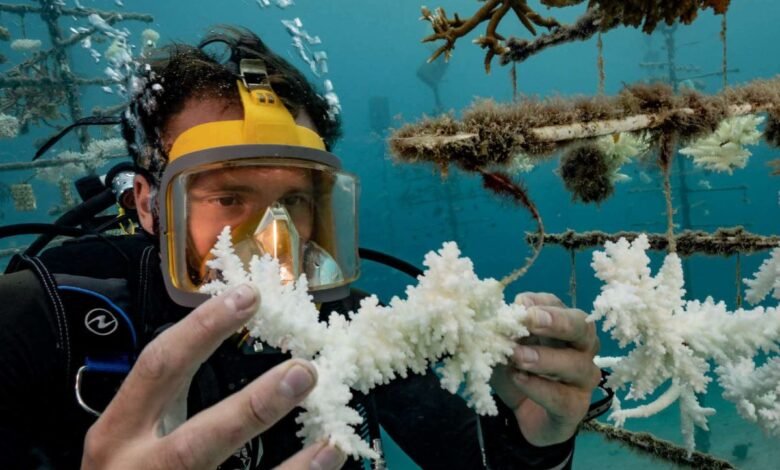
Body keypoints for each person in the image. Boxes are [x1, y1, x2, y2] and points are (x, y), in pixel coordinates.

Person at [0, 26, 601, 469]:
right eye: (228, 196)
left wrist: (536, 442)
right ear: (147, 204)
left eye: (296, 199)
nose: (273, 240)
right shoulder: (44, 316)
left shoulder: (355, 331)